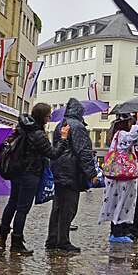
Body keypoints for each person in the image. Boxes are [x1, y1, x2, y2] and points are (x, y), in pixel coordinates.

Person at [0, 103, 70, 253]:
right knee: (22, 208)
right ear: (42, 116)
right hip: (30, 174)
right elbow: (53, 154)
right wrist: (63, 139)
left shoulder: (22, 128)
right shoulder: (37, 134)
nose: (50, 117)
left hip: (17, 172)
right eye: (48, 115)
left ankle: (2, 236)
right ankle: (16, 242)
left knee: (12, 203)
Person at [46, 98, 98, 252]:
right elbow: (84, 151)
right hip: (70, 171)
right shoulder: (78, 127)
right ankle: (63, 241)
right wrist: (91, 173)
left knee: (57, 207)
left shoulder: (60, 125)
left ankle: (52, 239)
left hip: (58, 170)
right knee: (69, 207)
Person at [99, 111, 138, 242]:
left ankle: (119, 230)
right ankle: (117, 232)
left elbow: (136, 143)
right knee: (121, 201)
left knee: (120, 201)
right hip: (122, 175)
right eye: (130, 122)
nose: (132, 124)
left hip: (120, 175)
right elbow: (133, 137)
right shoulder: (122, 134)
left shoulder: (119, 135)